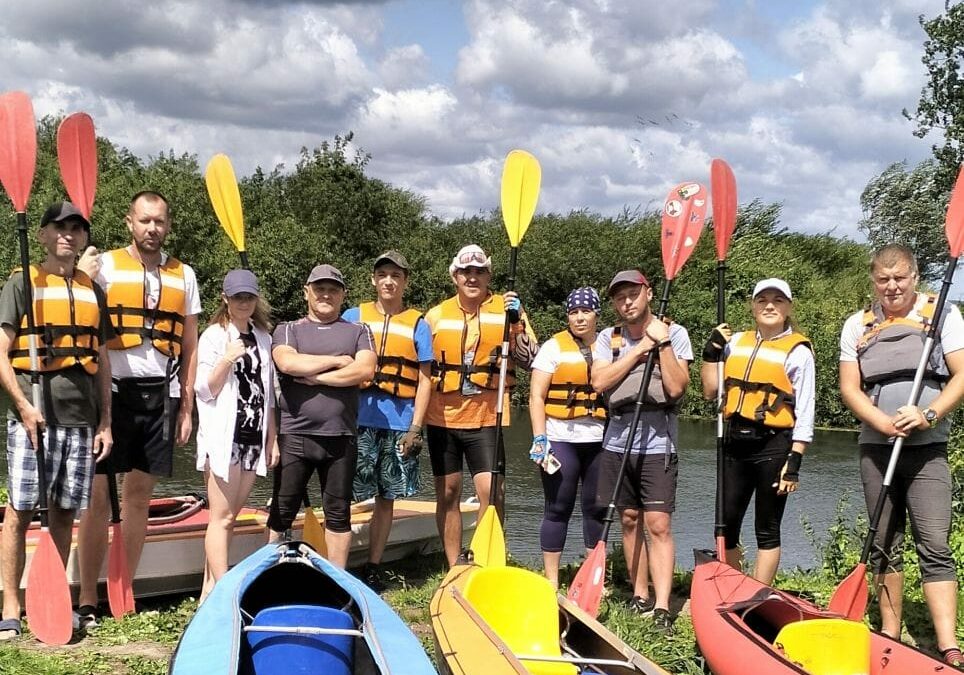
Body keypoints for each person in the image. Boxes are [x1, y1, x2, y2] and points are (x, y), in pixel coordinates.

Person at [76, 191, 201, 625]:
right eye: (145, 221)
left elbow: (189, 345)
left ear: (168, 226)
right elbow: (78, 315)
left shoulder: (184, 274)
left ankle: (122, 589)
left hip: (160, 392)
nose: (153, 229)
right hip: (109, 389)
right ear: (130, 221)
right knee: (95, 498)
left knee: (139, 496)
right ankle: (88, 598)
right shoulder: (103, 265)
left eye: (160, 222)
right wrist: (80, 276)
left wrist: (186, 408)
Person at [839, 244, 964, 668]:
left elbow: (962, 374)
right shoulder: (857, 324)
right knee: (884, 544)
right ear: (873, 280)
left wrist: (927, 414)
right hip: (877, 447)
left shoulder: (942, 312)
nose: (892, 286)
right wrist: (881, 421)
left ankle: (947, 644)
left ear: (914, 276)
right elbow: (850, 388)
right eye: (883, 279)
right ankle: (890, 632)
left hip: (927, 448)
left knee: (934, 543)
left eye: (900, 278)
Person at [0, 202, 113, 640]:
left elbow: (101, 362)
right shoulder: (20, 283)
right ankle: (11, 603)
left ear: (83, 238)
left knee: (66, 511)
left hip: (80, 419)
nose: (68, 234)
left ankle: (53, 598)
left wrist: (105, 421)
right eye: (59, 227)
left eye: (76, 228)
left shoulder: (92, 291)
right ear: (44, 235)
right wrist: (24, 406)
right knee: (21, 510)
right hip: (34, 418)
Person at [424, 244, 537, 566]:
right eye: (465, 272)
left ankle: (489, 559)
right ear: (454, 276)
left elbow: (530, 359)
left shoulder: (508, 308)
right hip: (441, 416)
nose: (472, 277)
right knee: (448, 493)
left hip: (487, 415)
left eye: (479, 272)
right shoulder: (436, 315)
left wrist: (516, 322)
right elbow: (421, 366)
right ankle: (454, 564)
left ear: (488, 275)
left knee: (492, 493)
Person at [590, 269, 691, 631]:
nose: (627, 302)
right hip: (618, 439)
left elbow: (677, 387)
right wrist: (640, 351)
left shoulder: (674, 333)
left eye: (633, 294)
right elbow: (599, 381)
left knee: (658, 523)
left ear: (648, 293)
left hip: (658, 441)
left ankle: (663, 605)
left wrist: (661, 344)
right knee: (628, 519)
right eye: (619, 297)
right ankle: (639, 593)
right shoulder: (608, 338)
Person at [700, 278, 814, 585]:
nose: (770, 306)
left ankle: (758, 595)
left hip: (773, 446)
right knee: (724, 525)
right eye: (763, 300)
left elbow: (805, 410)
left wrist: (795, 461)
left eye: (778, 300)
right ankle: (731, 585)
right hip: (734, 442)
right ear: (753, 306)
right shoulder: (735, 342)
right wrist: (711, 354)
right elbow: (710, 391)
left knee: (767, 527)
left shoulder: (799, 352)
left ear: (788, 307)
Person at [269, 264, 376, 568]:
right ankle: (268, 574)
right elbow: (288, 363)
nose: (326, 294)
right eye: (320, 289)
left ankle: (336, 581)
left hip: (341, 437)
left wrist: (316, 377)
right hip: (295, 435)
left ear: (343, 295)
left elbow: (364, 370)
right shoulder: (288, 329)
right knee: (282, 510)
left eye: (333, 289)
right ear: (307, 292)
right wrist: (336, 362)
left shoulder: (359, 330)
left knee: (338, 513)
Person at [341, 251, 432, 591]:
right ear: (374, 280)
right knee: (345, 492)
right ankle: (341, 562)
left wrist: (416, 427)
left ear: (405, 281)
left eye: (396, 275)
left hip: (399, 422)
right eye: (383, 274)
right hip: (357, 419)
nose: (389, 281)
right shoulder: (354, 316)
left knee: (387, 496)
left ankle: (373, 566)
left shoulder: (419, 324)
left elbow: (425, 380)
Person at [195, 269, 279, 602]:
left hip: (252, 437)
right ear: (225, 300)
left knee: (228, 518)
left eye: (249, 296)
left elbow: (269, 393)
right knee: (223, 517)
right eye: (237, 297)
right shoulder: (214, 337)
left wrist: (272, 438)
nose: (244, 302)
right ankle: (226, 592)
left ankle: (208, 590)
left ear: (256, 299)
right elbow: (204, 389)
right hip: (223, 437)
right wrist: (226, 360)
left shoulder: (263, 336)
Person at [528, 287, 607, 588]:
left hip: (599, 438)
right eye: (574, 312)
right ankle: (551, 580)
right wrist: (540, 438)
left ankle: (593, 578)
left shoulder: (609, 344)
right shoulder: (553, 347)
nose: (579, 317)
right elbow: (536, 395)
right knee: (558, 506)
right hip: (560, 436)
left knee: (596, 509)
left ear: (596, 314)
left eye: (586, 311)